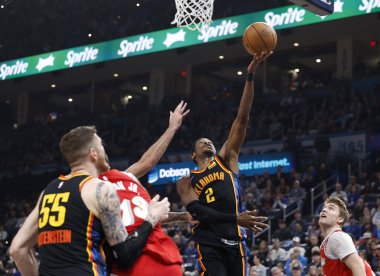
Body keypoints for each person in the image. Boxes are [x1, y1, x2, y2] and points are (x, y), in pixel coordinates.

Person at [10, 126, 170, 275]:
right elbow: (125, 257)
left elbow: (18, 249)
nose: (104, 151)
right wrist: (152, 217)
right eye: (101, 146)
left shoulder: (47, 191)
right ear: (93, 153)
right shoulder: (101, 189)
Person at [176, 51, 272, 276]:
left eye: (209, 140)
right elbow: (199, 211)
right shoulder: (186, 181)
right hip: (209, 240)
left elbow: (242, 117)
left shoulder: (226, 160)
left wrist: (249, 75)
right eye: (201, 142)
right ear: (193, 154)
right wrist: (235, 218)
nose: (207, 141)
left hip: (235, 238)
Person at [100, 101, 191, 275]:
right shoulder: (91, 190)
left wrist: (172, 128)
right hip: (140, 259)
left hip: (151, 257)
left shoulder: (123, 176)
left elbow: (148, 161)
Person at [319, 196, 374, 275]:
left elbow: (358, 267)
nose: (324, 210)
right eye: (324, 208)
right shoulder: (329, 240)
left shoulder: (337, 236)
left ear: (340, 219)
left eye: (331, 208)